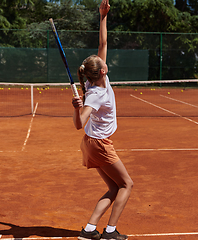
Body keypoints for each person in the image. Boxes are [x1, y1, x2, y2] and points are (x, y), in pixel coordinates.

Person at [72, 0, 133, 239]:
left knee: (114, 187)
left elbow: (103, 43)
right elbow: (78, 124)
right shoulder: (95, 94)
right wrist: (76, 109)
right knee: (127, 185)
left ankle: (89, 230)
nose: (105, 58)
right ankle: (110, 231)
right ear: (103, 70)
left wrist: (103, 16)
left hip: (92, 143)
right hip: (99, 143)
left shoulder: (95, 81)